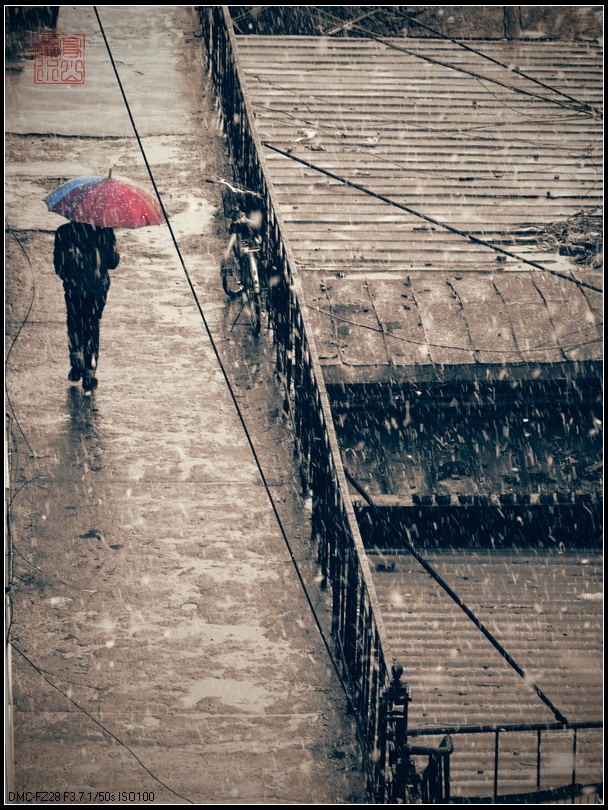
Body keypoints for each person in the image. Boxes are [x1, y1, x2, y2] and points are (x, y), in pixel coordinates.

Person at [53, 221, 120, 391]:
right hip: (97, 287)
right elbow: (112, 262)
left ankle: (77, 360)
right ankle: (89, 372)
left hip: (74, 286)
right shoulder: (104, 231)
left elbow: (59, 267)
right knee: (92, 325)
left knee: (74, 320)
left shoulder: (64, 231)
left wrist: (72, 275)